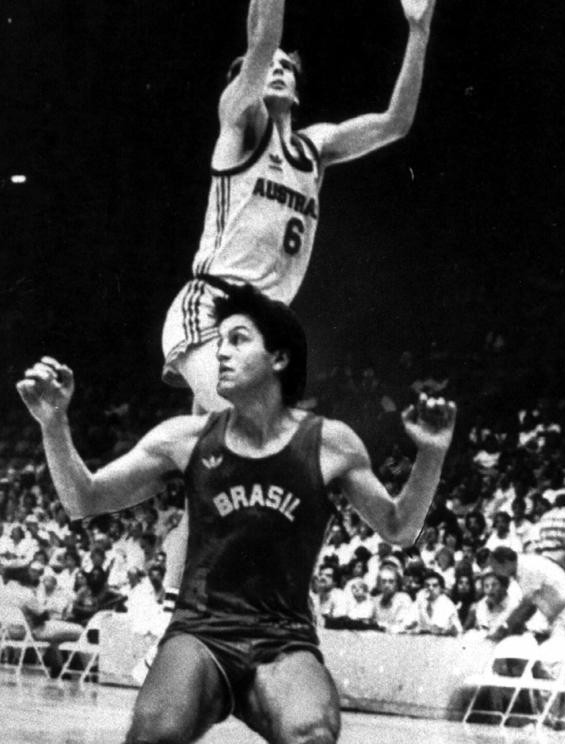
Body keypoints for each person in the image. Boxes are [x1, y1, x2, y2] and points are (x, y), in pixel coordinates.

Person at [16, 281, 455, 744]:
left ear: (279, 359)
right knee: (152, 733)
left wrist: (430, 454)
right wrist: (54, 424)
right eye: (218, 340)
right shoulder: (183, 438)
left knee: (312, 734)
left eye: (237, 339)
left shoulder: (331, 443)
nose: (220, 353)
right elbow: (83, 499)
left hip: (283, 638)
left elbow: (400, 528)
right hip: (201, 631)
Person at [162, 0, 444, 416]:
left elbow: (395, 123)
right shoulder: (240, 125)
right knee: (254, 432)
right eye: (263, 67)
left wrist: (419, 32)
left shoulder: (314, 148)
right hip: (214, 303)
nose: (277, 66)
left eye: (288, 66)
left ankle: (104, 496)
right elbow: (264, 39)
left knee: (213, 459)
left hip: (266, 325)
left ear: (298, 88)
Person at [487, 547, 565, 641]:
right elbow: (533, 603)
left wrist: (505, 628)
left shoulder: (528, 568)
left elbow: (527, 606)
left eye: (496, 568)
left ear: (506, 563)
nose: (496, 573)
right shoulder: (523, 567)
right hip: (559, 615)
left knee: (554, 655)